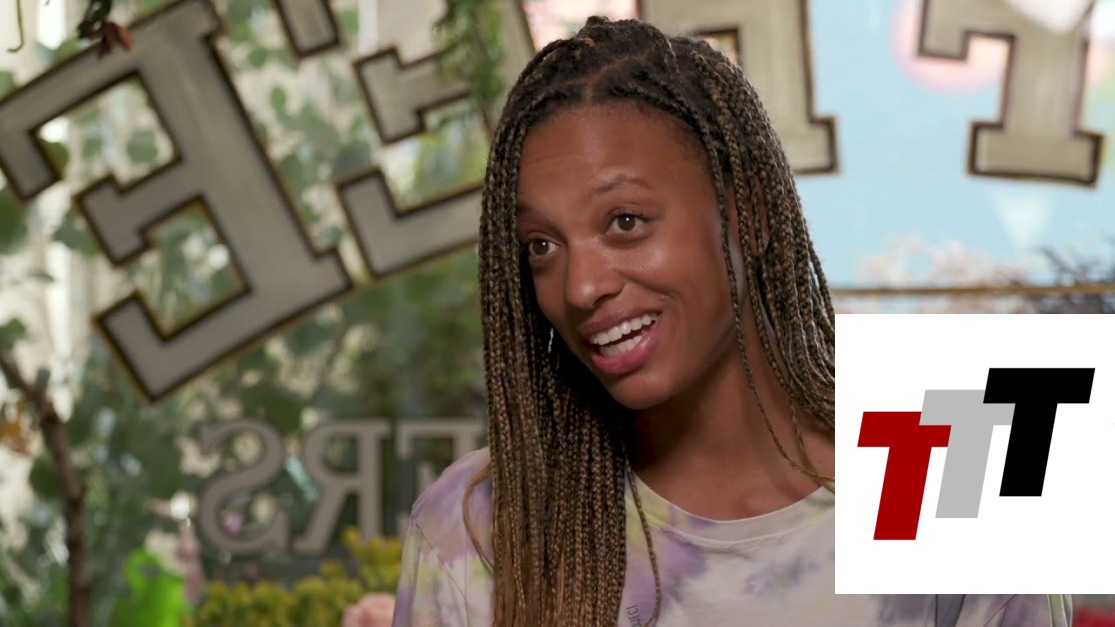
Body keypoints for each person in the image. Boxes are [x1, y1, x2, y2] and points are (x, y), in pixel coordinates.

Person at [391, 15, 1072, 627]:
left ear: (748, 213)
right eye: (541, 245)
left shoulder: (962, 469)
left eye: (625, 221)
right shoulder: (479, 528)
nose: (581, 285)